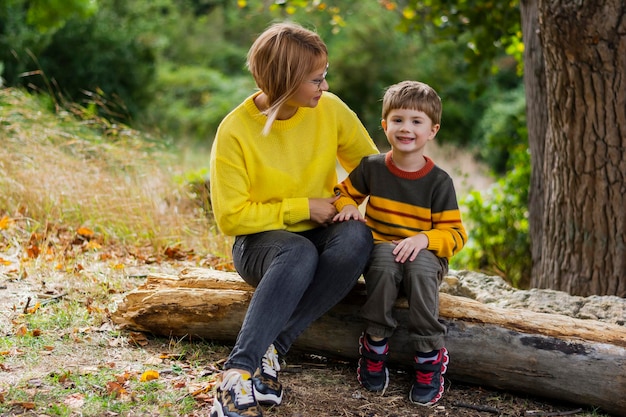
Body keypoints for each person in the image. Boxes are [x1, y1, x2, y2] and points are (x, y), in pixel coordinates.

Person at [208, 21, 379, 417]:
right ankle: (237, 374)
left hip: (321, 234)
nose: (325, 87)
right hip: (259, 245)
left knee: (357, 237)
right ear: (286, 80)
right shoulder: (235, 131)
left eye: (325, 77)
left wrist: (350, 200)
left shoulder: (330, 110)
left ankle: (274, 346)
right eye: (316, 80)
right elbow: (232, 218)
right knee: (297, 250)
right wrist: (303, 207)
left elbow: (371, 169)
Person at [333, 80, 467, 406]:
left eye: (416, 122)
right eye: (398, 120)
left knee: (420, 269)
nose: (406, 129)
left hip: (424, 253)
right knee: (380, 264)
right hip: (383, 247)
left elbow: (455, 234)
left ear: (432, 130)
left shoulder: (439, 182)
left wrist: (423, 239)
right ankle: (375, 345)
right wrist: (348, 206)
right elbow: (342, 193)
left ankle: (429, 356)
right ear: (384, 125)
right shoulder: (372, 167)